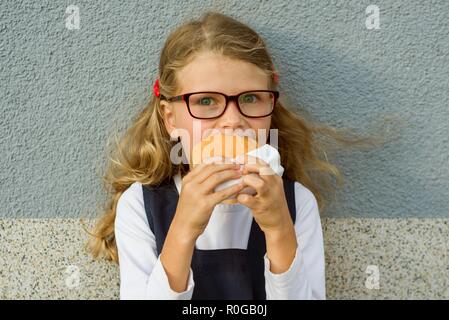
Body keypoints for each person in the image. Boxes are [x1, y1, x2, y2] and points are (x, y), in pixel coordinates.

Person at [88, 11, 352, 300]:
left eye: (250, 98)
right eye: (206, 101)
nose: (232, 121)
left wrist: (279, 231)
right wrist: (183, 228)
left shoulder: (296, 203)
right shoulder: (140, 205)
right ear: (170, 118)